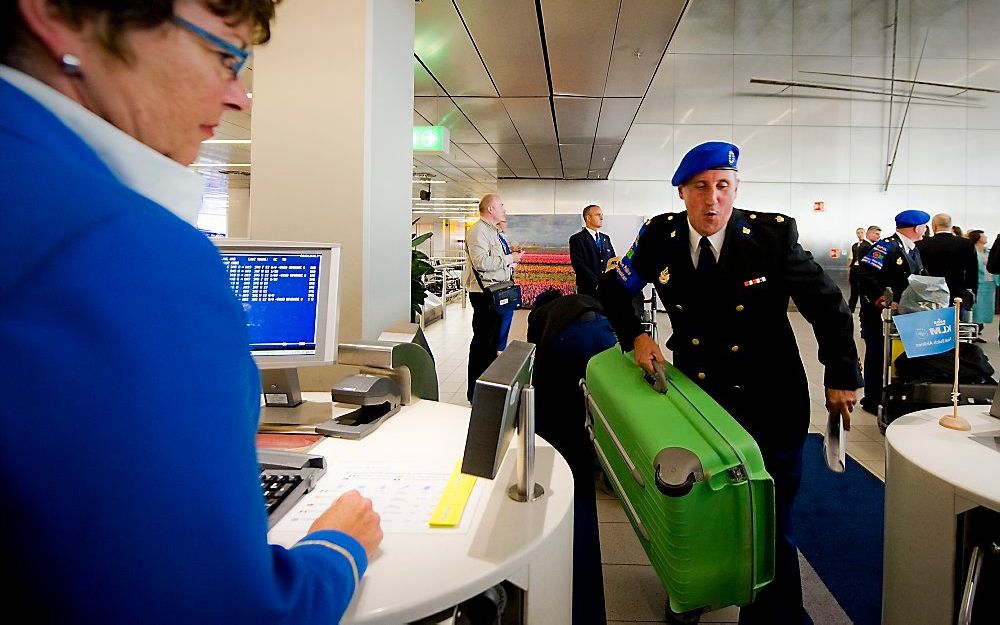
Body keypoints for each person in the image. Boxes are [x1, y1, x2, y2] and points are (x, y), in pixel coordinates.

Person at [1, 2, 383, 623]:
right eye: (223, 56)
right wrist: (338, 548)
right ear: (59, 14)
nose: (240, 97)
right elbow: (223, 610)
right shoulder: (117, 247)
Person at [598, 141, 862, 625]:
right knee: (700, 505)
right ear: (683, 192)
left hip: (771, 397)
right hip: (700, 401)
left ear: (736, 191)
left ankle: (775, 616)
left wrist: (841, 375)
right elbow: (615, 287)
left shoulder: (771, 237)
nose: (712, 199)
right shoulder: (659, 236)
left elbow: (828, 306)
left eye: (723, 187)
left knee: (768, 516)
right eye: (701, 187)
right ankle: (693, 590)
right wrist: (634, 334)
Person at [527, 288, 618, 625]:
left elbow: (536, 366)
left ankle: (565, 462)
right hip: (605, 332)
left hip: (569, 345)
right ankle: (610, 472)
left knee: (560, 413)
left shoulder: (541, 317)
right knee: (607, 404)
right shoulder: (579, 301)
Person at [854, 209, 930, 414]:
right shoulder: (886, 246)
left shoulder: (912, 248)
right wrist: (881, 297)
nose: (925, 230)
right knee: (877, 355)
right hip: (879, 315)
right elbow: (865, 272)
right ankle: (872, 398)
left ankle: (894, 395)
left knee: (895, 356)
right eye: (924, 226)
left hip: (904, 315)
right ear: (916, 228)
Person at [463, 193, 522, 401]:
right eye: (501, 205)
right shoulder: (478, 231)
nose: (504, 209)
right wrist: (509, 258)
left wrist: (509, 259)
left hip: (496, 292)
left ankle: (486, 391)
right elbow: (481, 263)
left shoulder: (493, 232)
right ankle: (476, 394)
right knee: (482, 346)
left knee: (491, 346)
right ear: (490, 209)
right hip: (485, 296)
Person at [916, 213, 978, 318]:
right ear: (950, 226)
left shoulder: (921, 245)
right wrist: (971, 292)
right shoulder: (966, 244)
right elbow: (972, 271)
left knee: (932, 324)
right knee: (955, 324)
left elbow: (918, 271)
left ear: (933, 226)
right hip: (957, 292)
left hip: (929, 293)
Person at [569, 204, 616, 298]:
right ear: (588, 218)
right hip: (588, 291)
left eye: (602, 215)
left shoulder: (606, 238)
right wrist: (598, 282)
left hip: (608, 290)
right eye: (598, 215)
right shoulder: (577, 239)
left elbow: (613, 261)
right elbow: (579, 265)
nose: (602, 218)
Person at [967, 230, 995, 341]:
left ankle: (979, 330)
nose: (986, 237)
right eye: (984, 235)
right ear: (978, 237)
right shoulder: (971, 251)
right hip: (978, 282)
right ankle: (973, 331)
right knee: (976, 307)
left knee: (986, 308)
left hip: (990, 282)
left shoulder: (989, 251)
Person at [848, 225, 880, 313]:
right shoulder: (860, 246)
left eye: (861, 232)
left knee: (861, 293)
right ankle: (853, 309)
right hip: (857, 271)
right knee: (856, 292)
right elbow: (854, 260)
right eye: (858, 233)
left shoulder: (866, 245)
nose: (860, 234)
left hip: (861, 272)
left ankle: (860, 310)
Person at [496, 219, 516, 351]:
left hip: (506, 281)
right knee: (501, 319)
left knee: (507, 315)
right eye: (504, 222)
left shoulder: (502, 238)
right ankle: (498, 347)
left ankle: (501, 347)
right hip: (498, 284)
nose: (507, 224)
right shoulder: (495, 238)